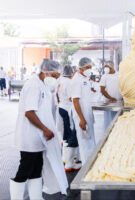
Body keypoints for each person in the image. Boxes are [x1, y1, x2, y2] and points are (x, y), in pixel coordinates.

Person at [11, 59, 68, 200]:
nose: (55, 79)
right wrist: (45, 129)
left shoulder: (43, 86)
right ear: (45, 71)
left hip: (39, 137)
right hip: (29, 136)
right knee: (25, 169)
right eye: (54, 76)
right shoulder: (33, 85)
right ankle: (16, 198)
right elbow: (29, 112)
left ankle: (36, 197)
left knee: (37, 168)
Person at [71, 57, 96, 164]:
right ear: (80, 68)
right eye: (87, 67)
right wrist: (81, 119)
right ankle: (86, 168)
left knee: (90, 141)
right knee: (85, 142)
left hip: (87, 114)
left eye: (90, 67)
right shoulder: (76, 80)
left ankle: (91, 163)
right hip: (82, 116)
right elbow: (75, 101)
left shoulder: (84, 78)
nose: (89, 69)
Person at [57, 65, 81, 172]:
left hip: (61, 107)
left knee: (65, 134)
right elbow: (73, 98)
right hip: (68, 109)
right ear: (71, 72)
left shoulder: (59, 80)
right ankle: (69, 162)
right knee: (72, 134)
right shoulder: (69, 82)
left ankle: (65, 158)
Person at [100, 61, 122, 131]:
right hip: (108, 102)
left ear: (112, 66)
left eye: (107, 66)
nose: (105, 68)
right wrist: (110, 98)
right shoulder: (104, 76)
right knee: (109, 122)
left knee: (118, 120)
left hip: (119, 101)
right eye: (104, 67)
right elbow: (102, 90)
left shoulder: (119, 74)